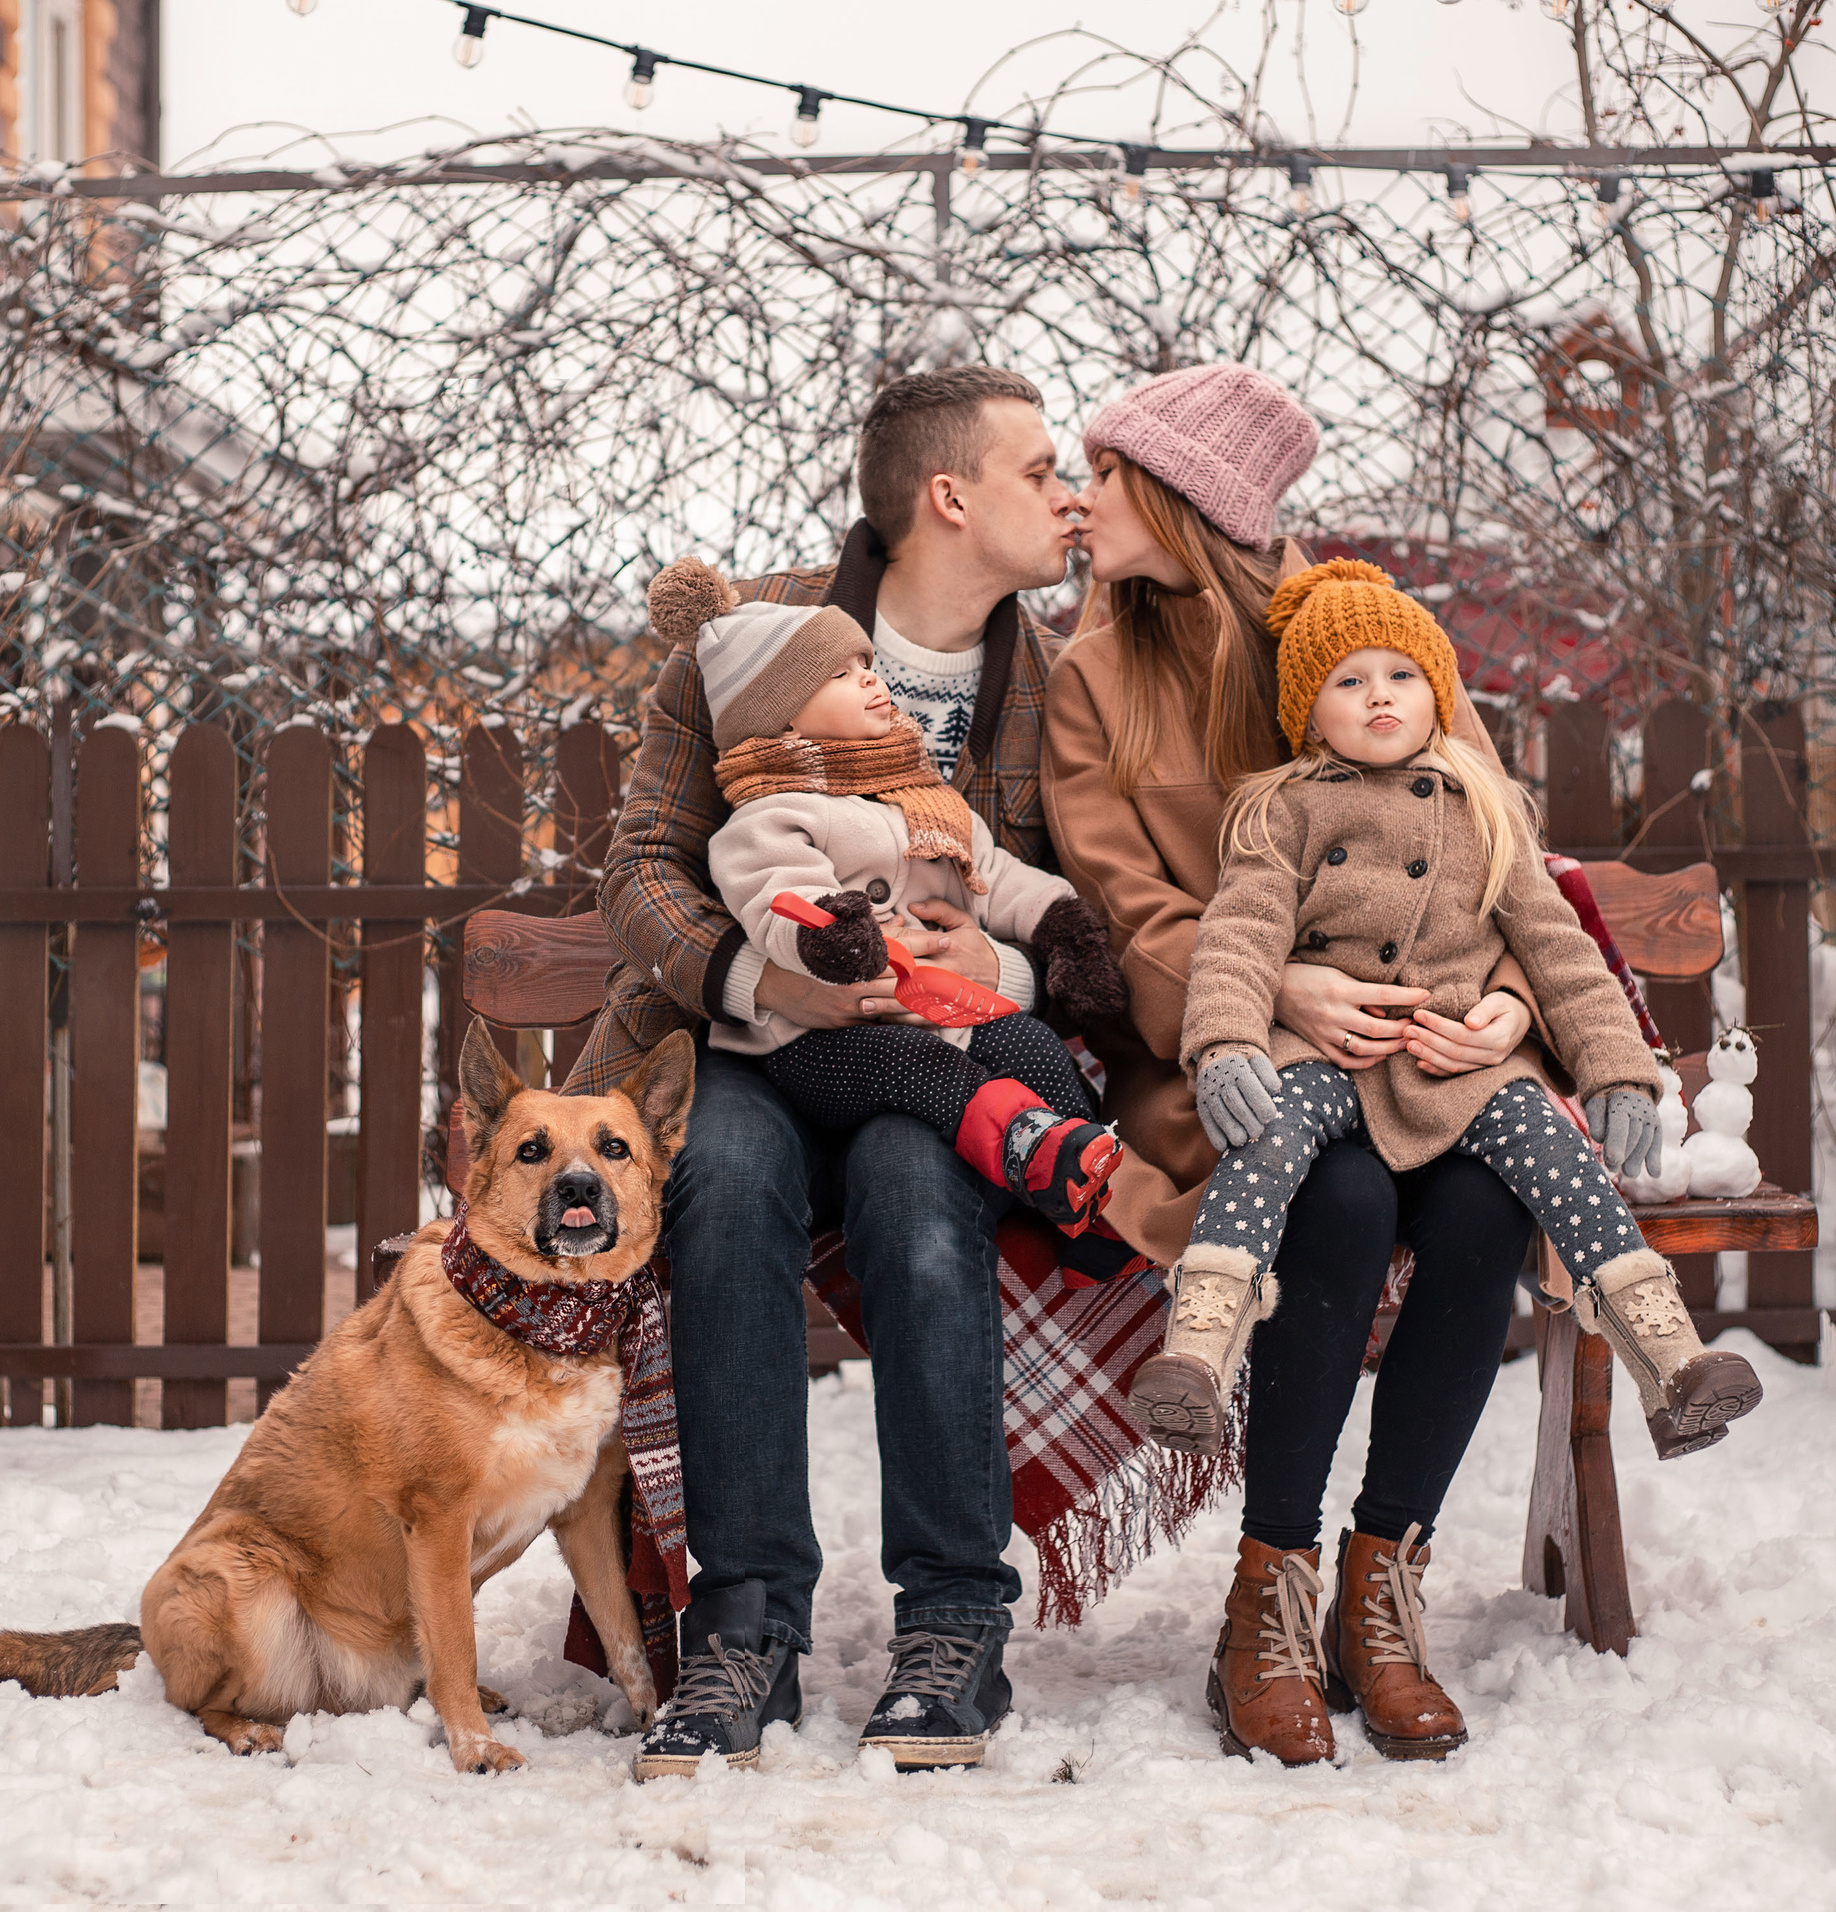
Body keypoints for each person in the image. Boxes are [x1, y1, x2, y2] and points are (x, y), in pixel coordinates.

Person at [564, 365, 1082, 1778]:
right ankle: (741, 1623)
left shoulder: (1056, 682)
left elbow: (1058, 901)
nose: (1072, 495)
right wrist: (758, 976)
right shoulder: (758, 635)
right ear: (949, 496)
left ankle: (955, 1623)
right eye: (1044, 470)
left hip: (926, 1049)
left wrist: (994, 977)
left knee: (923, 1192)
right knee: (723, 1182)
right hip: (741, 1033)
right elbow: (643, 870)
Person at [1042, 361, 1549, 1769]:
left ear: (1186, 498)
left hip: (1425, 1038)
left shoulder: (1358, 635)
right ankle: (1267, 1590)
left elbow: (1495, 844)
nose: (1082, 501)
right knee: (1334, 1198)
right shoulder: (1092, 678)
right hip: (1227, 1059)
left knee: (1480, 1204)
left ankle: (1381, 1585)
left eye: (1108, 472)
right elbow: (1125, 910)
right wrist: (1281, 989)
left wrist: (1508, 1002)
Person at [1136, 554, 1764, 1469]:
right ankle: (1197, 1351)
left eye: (1402, 676)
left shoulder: (1485, 808)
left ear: (1438, 692)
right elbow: (1239, 937)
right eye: (1349, 681)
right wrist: (1228, 1042)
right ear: (1307, 708)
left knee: (1561, 1160)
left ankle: (1671, 1362)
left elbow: (1560, 952)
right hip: (1328, 1057)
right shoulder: (1280, 810)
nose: (1380, 697)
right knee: (1261, 1136)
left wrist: (1617, 1068)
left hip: (1462, 1066)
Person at [645, 553, 1129, 1236]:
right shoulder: (770, 816)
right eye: (839, 675)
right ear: (782, 722)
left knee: (1030, 1046)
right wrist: (828, 935)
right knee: (923, 1069)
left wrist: (1060, 928)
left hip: (937, 1010)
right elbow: (777, 895)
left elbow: (991, 873)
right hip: (815, 1043)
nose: (869, 679)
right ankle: (1029, 1148)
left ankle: (1095, 1208)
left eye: (864, 664)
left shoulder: (921, 799)